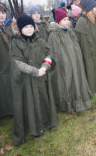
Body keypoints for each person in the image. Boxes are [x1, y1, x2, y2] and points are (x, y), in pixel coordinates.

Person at [10, 15, 58, 146]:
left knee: (43, 99)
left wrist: (44, 66)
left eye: (31, 26)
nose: (29, 29)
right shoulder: (16, 43)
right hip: (26, 80)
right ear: (19, 29)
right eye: (25, 27)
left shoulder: (40, 41)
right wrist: (34, 71)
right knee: (30, 103)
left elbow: (48, 54)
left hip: (41, 77)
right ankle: (34, 127)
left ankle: (47, 122)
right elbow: (18, 62)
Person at [47, 8, 92, 113]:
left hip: (74, 61)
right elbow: (54, 52)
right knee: (67, 82)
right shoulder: (54, 34)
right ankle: (68, 104)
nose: (67, 22)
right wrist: (64, 62)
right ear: (58, 21)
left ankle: (79, 100)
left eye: (67, 19)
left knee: (77, 80)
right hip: (65, 64)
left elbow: (75, 45)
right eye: (64, 20)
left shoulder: (69, 31)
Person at [75, 0, 96, 94]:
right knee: (90, 69)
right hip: (88, 52)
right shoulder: (82, 22)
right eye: (95, 7)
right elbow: (82, 41)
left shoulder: (93, 20)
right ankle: (92, 89)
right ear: (90, 9)